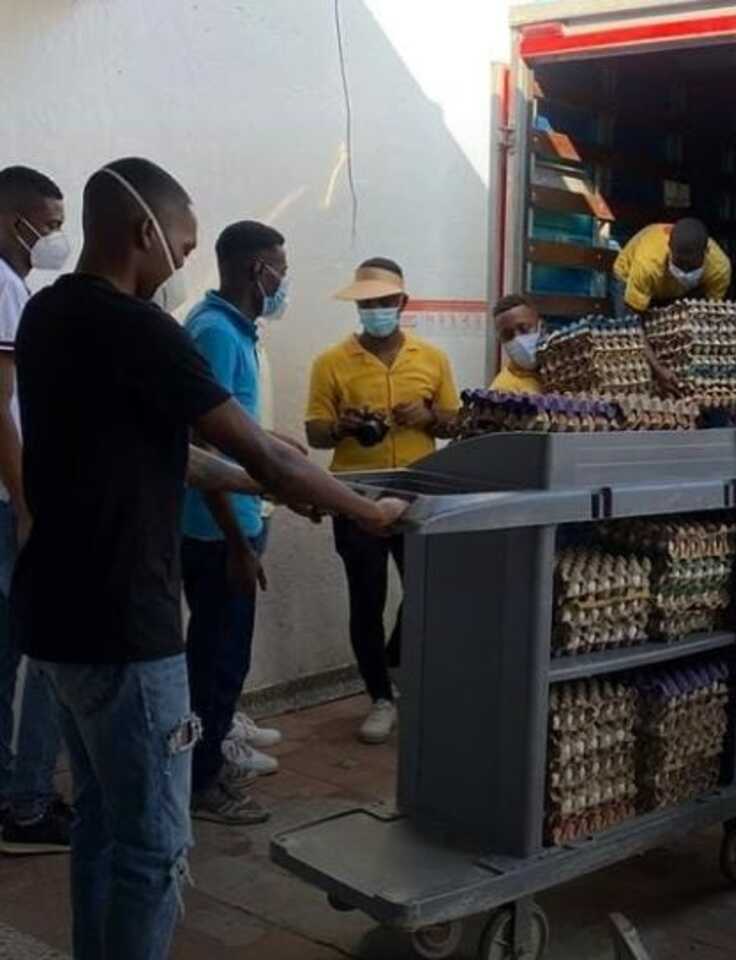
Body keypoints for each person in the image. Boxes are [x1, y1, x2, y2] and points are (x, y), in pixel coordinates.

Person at [14, 156, 406, 960]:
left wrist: (276, 482)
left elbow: (176, 455)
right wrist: (367, 510)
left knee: (102, 824)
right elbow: (265, 453)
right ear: (144, 232)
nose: (183, 261)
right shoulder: (141, 328)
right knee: (155, 847)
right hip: (125, 622)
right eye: (183, 245)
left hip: (53, 612)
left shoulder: (49, 313)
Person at [306, 258, 460, 744]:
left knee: (428, 592)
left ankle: (395, 664)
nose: (376, 309)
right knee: (366, 597)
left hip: (419, 491)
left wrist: (429, 417)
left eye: (384, 301)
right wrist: (343, 426)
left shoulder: (431, 358)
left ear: (402, 302)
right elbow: (315, 433)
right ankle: (379, 697)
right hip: (357, 494)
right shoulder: (331, 362)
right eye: (367, 302)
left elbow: (456, 423)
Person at [182, 220, 303, 825]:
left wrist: (274, 442)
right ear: (260, 270)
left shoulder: (231, 328)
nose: (285, 281)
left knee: (221, 653)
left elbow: (233, 424)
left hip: (238, 519)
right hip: (216, 529)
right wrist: (236, 542)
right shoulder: (213, 332)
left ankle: (209, 755)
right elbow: (205, 447)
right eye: (282, 269)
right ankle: (203, 782)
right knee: (217, 660)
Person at [0, 166, 72, 856]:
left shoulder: (15, 287)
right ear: (12, 219)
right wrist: (25, 504)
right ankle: (27, 806)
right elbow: (0, 408)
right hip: (10, 501)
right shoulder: (2, 286)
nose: (56, 238)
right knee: (51, 650)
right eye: (48, 225)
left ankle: (10, 796)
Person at [611, 218, 732, 394]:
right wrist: (658, 369)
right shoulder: (647, 262)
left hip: (673, 288)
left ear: (706, 252)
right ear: (669, 248)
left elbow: (709, 317)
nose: (684, 271)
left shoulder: (719, 268)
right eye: (680, 263)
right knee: (627, 342)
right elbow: (631, 324)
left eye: (691, 265)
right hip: (629, 276)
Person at [489, 293, 543, 394]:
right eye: (508, 335)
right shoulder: (503, 391)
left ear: (541, 327)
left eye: (524, 329)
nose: (518, 339)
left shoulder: (561, 370)